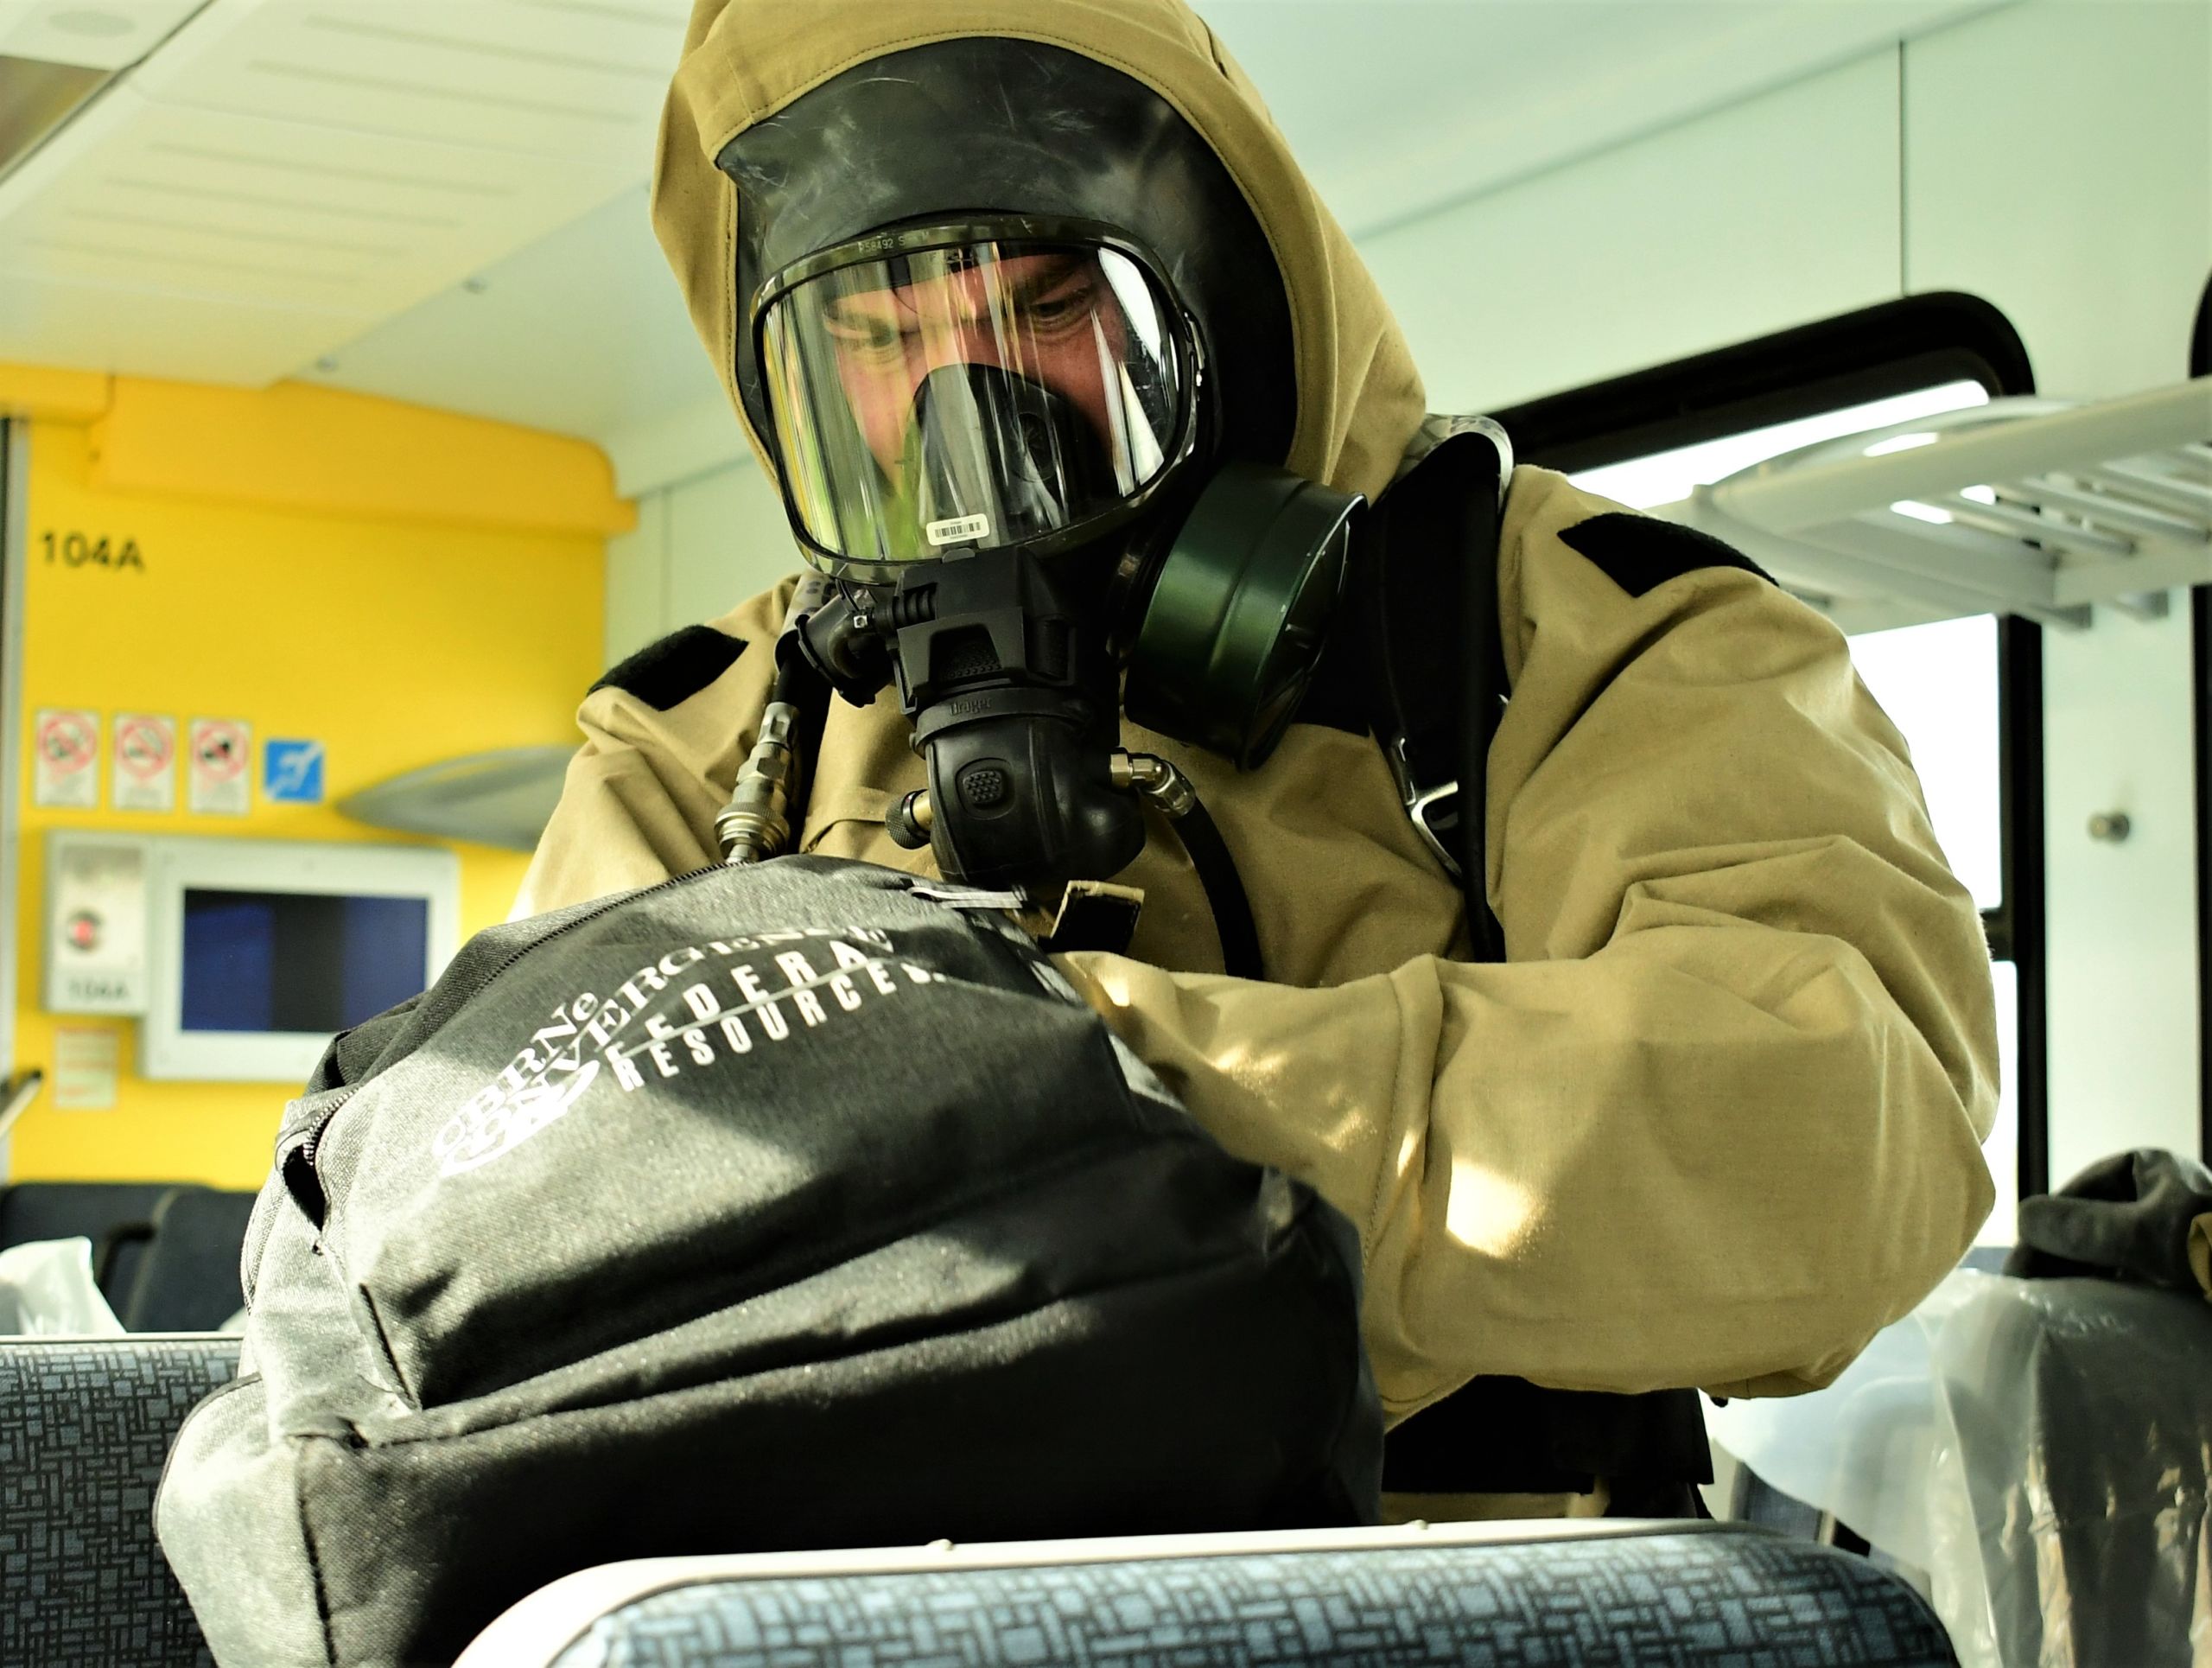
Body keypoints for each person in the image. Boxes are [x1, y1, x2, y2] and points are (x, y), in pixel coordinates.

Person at [520, 0, 1999, 1516]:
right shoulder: (701, 742)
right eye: (880, 335)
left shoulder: (1568, 629)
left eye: (1043, 306)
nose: (966, 406)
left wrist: (1074, 1112)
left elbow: (1851, 1143)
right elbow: (541, 1221)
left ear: (1215, 291)